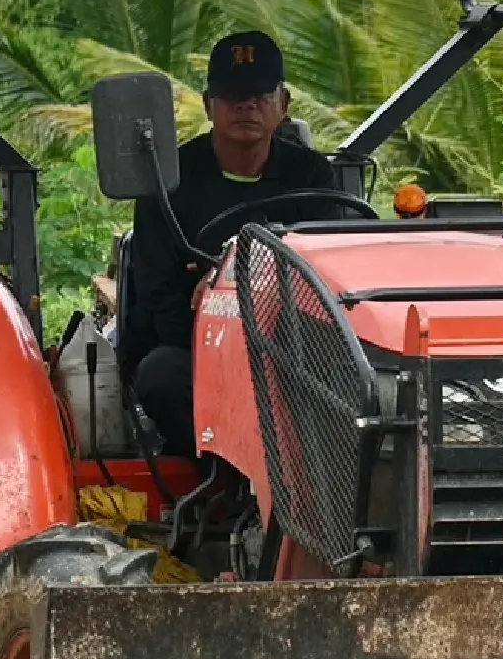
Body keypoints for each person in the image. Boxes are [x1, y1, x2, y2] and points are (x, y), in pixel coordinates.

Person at [118, 31, 341, 457]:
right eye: (232, 95)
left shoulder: (313, 176)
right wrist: (217, 343)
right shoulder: (169, 181)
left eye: (259, 94)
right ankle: (220, 480)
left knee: (352, 379)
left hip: (288, 344)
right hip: (195, 348)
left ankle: (318, 485)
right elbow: (158, 291)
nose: (246, 106)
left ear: (284, 103)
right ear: (209, 105)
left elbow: (322, 274)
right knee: (159, 376)